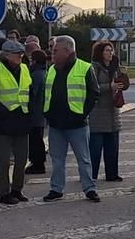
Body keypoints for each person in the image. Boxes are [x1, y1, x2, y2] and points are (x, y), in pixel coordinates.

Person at [42, 35, 100, 204]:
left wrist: (82, 114)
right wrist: (47, 114)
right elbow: (47, 94)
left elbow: (94, 94)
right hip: (56, 124)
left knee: (84, 159)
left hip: (77, 125)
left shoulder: (84, 68)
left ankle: (90, 189)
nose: (52, 53)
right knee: (57, 159)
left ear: (67, 51)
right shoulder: (52, 69)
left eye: (55, 50)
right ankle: (56, 189)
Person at [0, 39, 33, 204]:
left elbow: (29, 92)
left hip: (22, 121)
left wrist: (30, 112)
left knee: (21, 159)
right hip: (3, 122)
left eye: (21, 54)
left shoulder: (25, 69)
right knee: (3, 160)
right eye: (17, 54)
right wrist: (3, 111)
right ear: (6, 55)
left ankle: (17, 189)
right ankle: (4, 193)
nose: (20, 56)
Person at [87, 41, 130, 182]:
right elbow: (92, 87)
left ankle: (112, 174)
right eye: (107, 50)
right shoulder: (93, 68)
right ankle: (91, 175)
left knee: (112, 148)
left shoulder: (115, 67)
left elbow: (122, 85)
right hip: (98, 114)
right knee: (95, 149)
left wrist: (124, 79)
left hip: (113, 112)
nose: (110, 53)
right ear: (100, 52)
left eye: (111, 50)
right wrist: (109, 87)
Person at [26, 48, 49, 173]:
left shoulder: (36, 75)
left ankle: (38, 164)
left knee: (35, 140)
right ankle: (38, 163)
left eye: (31, 59)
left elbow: (32, 93)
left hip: (35, 112)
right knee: (37, 139)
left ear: (34, 61)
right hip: (40, 112)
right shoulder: (44, 72)